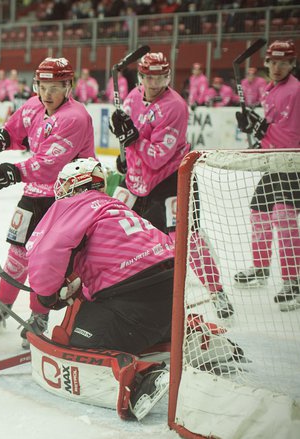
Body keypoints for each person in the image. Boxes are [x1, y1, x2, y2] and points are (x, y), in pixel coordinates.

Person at [26, 158, 175, 420]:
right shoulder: (113, 206)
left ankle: (143, 378)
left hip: (133, 300)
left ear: (71, 185)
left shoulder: (71, 205)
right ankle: (198, 334)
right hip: (173, 291)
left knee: (84, 343)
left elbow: (47, 250)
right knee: (130, 317)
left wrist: (46, 293)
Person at [0, 57, 95, 348]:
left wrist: (11, 172)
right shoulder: (32, 105)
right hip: (35, 193)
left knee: (45, 261)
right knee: (17, 255)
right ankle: (2, 306)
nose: (48, 93)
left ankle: (39, 316)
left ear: (69, 87)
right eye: (43, 86)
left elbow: (51, 162)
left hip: (67, 198)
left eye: (56, 87)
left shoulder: (75, 117)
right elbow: (15, 131)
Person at [109, 52, 233, 319]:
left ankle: (217, 291)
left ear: (169, 76)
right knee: (122, 233)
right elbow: (130, 137)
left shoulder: (174, 106)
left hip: (171, 181)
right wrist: (124, 156)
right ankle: (131, 290)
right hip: (138, 181)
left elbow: (156, 158)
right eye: (149, 78)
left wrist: (131, 140)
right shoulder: (132, 98)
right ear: (140, 78)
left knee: (187, 240)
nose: (155, 84)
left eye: (161, 77)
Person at [234, 40, 300, 311]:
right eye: (273, 62)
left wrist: (262, 129)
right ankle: (261, 268)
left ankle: (293, 281)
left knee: (283, 218)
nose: (277, 67)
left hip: (292, 163)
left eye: (283, 62)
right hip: (273, 162)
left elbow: (291, 133)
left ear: (292, 64)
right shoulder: (269, 90)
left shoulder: (296, 91)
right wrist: (255, 127)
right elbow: (273, 126)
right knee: (258, 212)